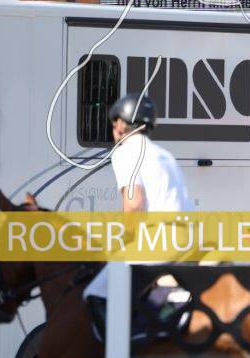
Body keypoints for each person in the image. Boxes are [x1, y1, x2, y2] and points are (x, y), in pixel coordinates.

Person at [82, 93, 194, 334]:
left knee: (94, 292)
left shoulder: (126, 151)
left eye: (115, 122)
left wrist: (125, 237)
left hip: (158, 242)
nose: (114, 129)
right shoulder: (165, 154)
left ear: (122, 124)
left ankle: (131, 343)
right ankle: (161, 313)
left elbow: (134, 203)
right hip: (187, 239)